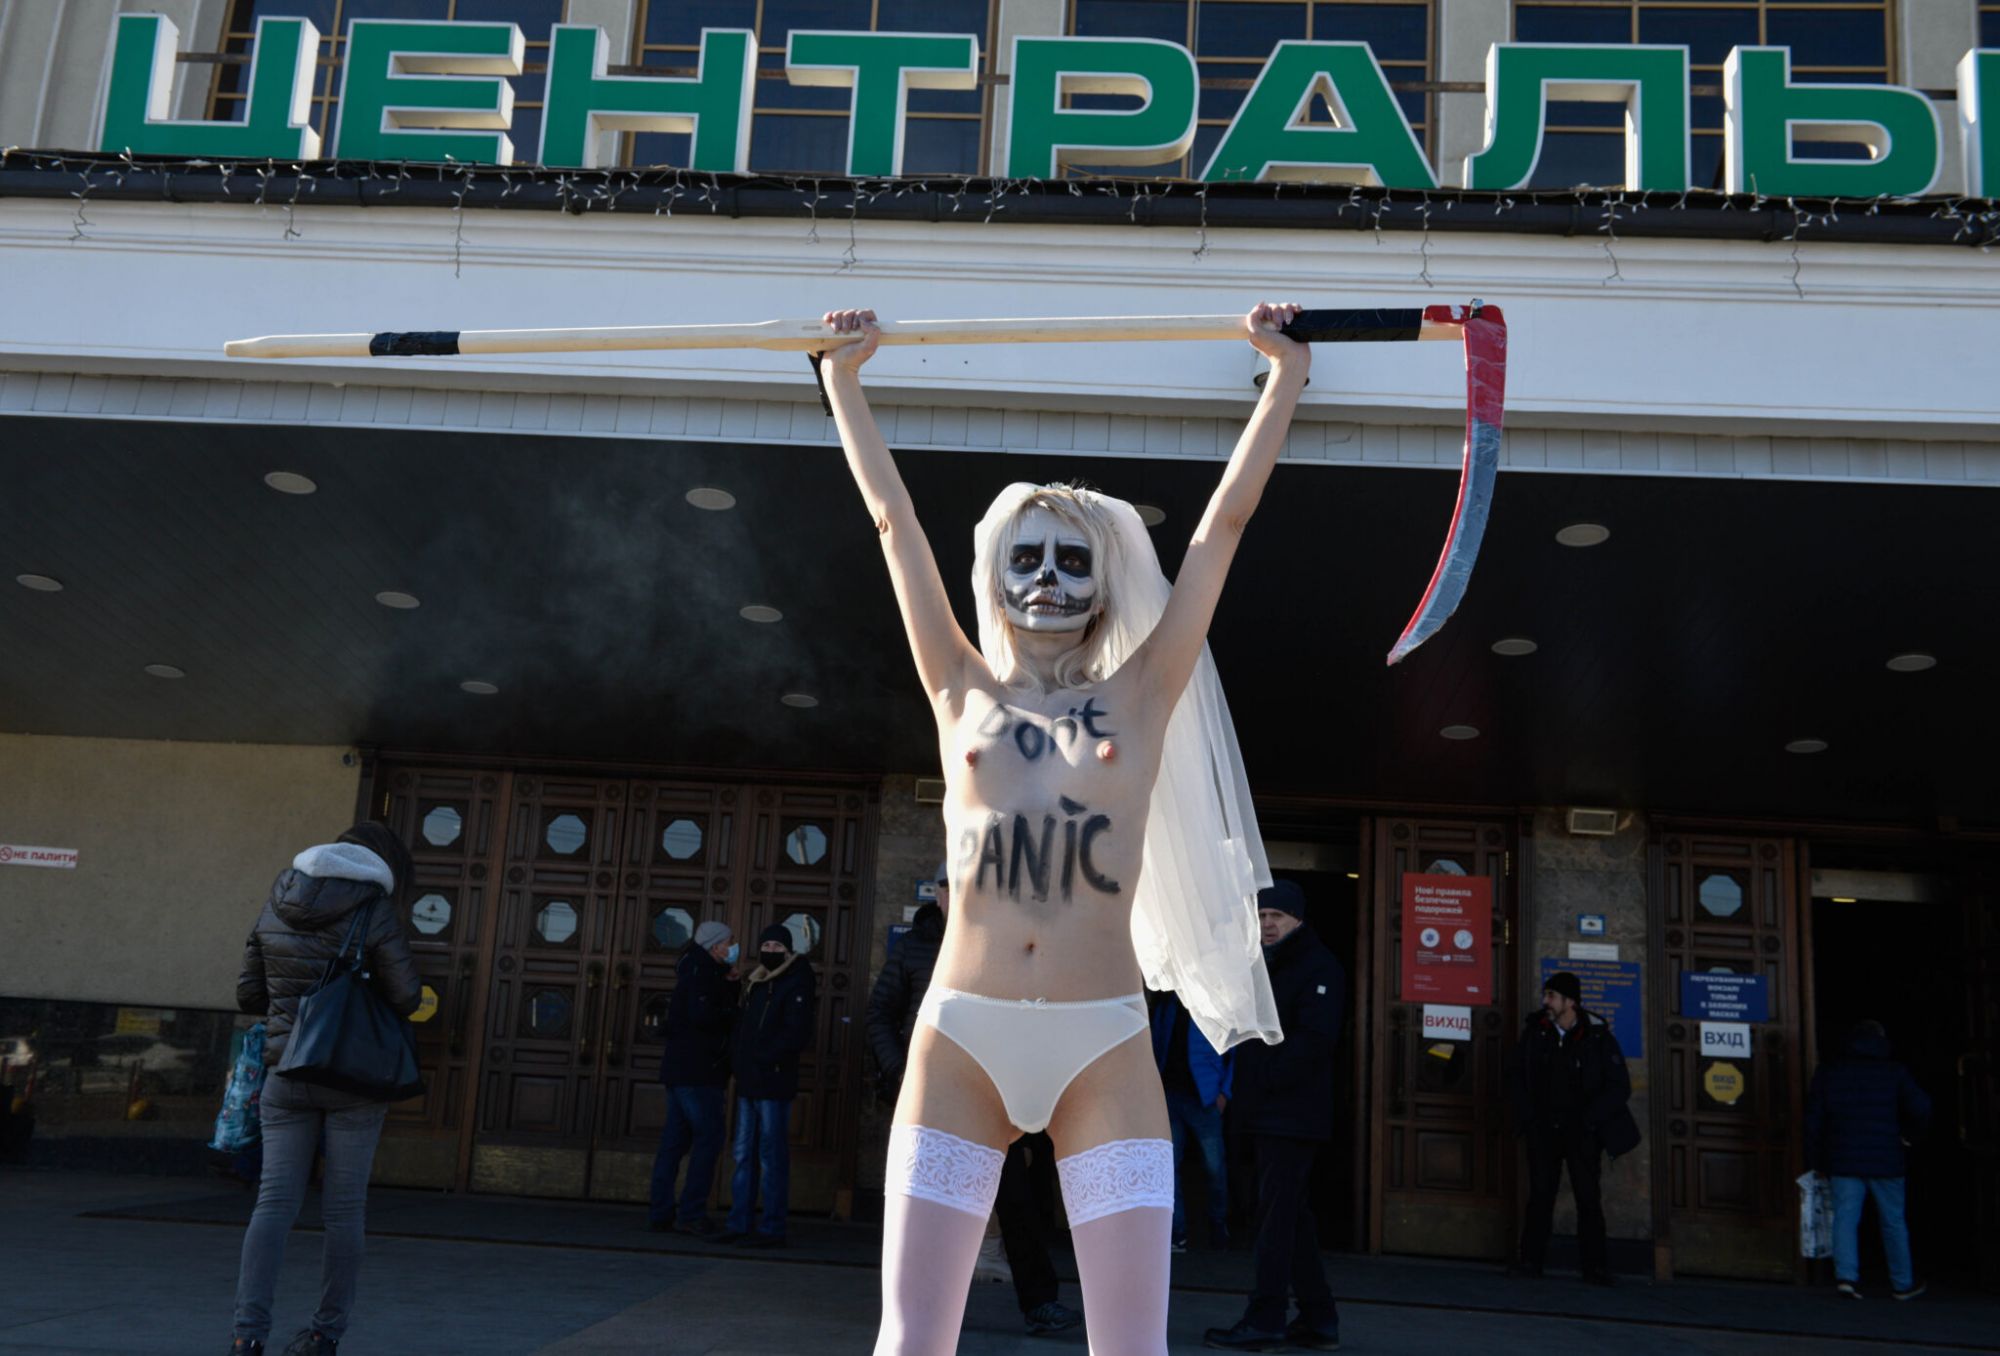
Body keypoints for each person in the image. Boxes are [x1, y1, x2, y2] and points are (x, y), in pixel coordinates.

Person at [818, 303, 1300, 1355]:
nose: (1046, 577)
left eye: (1072, 561)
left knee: (1131, 1346)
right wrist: (842, 381)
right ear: (994, 576)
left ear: (1104, 584)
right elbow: (895, 524)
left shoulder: (1142, 694)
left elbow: (1220, 531)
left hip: (1104, 1041)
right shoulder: (959, 689)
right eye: (1027, 558)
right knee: (911, 1341)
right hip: (961, 1036)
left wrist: (1283, 381)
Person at [229, 821, 422, 1356]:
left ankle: (247, 1336)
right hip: (352, 1078)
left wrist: (294, 1001)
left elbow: (248, 993)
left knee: (273, 1204)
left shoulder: (279, 898)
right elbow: (407, 997)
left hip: (286, 1074)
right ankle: (324, 1335)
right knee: (344, 1211)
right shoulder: (374, 908)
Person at [868, 861, 1085, 1334]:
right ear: (938, 894)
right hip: (929, 1096)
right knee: (926, 1208)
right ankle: (918, 1312)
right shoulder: (914, 947)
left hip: (991, 1096)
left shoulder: (1000, 941)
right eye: (949, 888)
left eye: (966, 887)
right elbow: (879, 1014)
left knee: (1018, 1203)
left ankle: (1040, 1302)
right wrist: (902, 1073)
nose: (957, 895)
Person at [1203, 881, 1345, 1352]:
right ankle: (1319, 1318)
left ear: (1297, 919)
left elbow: (1314, 1041)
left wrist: (1264, 1080)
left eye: (1277, 917)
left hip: (1291, 1114)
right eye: (1262, 916)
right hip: (1268, 1112)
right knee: (1290, 1216)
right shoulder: (1263, 965)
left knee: (1275, 1221)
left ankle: (1265, 1318)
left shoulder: (1318, 967)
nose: (1267, 924)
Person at [1510, 970, 1635, 1286]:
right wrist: (1529, 1119)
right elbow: (1516, 1077)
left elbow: (1619, 1086)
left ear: (1570, 1002)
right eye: (1546, 995)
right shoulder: (1535, 1033)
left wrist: (1590, 1120)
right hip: (1544, 1130)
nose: (1545, 1001)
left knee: (1588, 1197)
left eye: (1551, 996)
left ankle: (1594, 1268)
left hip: (1582, 1133)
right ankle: (1530, 1261)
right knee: (1540, 1195)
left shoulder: (1597, 1037)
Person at [1805, 1019, 1932, 1300]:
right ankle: (1902, 1283)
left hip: (1843, 1157)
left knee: (1845, 1218)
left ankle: (1846, 1278)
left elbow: (1814, 1120)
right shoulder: (1894, 1072)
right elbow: (1922, 1107)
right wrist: (1909, 1137)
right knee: (1893, 1221)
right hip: (1886, 1158)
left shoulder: (1831, 1072)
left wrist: (1816, 1159)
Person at [723, 923, 818, 1247]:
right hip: (749, 1080)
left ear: (788, 951)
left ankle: (772, 1227)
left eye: (778, 947)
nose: (772, 951)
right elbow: (742, 1026)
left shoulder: (797, 981)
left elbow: (796, 1032)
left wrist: (765, 1057)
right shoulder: (756, 981)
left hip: (774, 1080)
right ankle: (739, 1222)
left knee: (771, 1155)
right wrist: (739, 1061)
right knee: (743, 1153)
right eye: (767, 946)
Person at [649, 919, 739, 1237]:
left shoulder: (695, 968)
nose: (732, 947)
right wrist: (733, 1011)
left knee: (674, 1142)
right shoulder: (703, 973)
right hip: (699, 1071)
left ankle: (660, 1211)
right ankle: (691, 1213)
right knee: (708, 1139)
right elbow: (705, 1016)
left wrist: (729, 983)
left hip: (682, 1070)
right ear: (715, 946)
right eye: (729, 941)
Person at [1151, 988, 1233, 1253]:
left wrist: (1225, 1091)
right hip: (1171, 1095)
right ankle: (1178, 1232)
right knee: (1169, 1168)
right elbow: (1155, 1046)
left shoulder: (1213, 1001)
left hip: (1204, 1097)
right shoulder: (1166, 1003)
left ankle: (1218, 1225)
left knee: (1214, 1166)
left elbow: (1233, 1048)